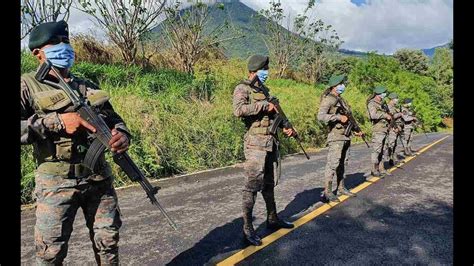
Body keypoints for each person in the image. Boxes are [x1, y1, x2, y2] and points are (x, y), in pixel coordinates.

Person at [21, 21, 131, 265]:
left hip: (98, 178)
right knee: (51, 253)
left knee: (108, 243)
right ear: (37, 53)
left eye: (66, 43)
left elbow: (116, 120)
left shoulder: (87, 86)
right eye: (55, 43)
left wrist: (122, 135)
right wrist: (58, 122)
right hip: (56, 182)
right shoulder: (27, 85)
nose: (64, 47)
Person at [232, 55, 295, 246]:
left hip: (269, 144)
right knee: (251, 187)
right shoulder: (242, 88)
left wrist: (286, 126)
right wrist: (263, 105)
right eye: (265, 69)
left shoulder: (264, 90)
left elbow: (274, 114)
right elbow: (238, 110)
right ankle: (247, 229)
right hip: (255, 145)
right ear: (256, 70)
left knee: (268, 185)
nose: (267, 72)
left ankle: (272, 218)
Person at [317, 74, 360, 202]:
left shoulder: (341, 100)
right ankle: (328, 191)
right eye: (341, 84)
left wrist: (356, 130)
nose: (343, 86)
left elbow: (349, 118)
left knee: (343, 163)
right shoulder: (329, 99)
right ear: (335, 86)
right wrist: (337, 117)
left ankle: (341, 187)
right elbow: (320, 116)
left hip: (345, 136)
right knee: (333, 164)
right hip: (336, 136)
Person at [367, 86, 391, 177]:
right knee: (376, 150)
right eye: (383, 93)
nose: (384, 94)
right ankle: (374, 169)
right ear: (378, 94)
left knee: (383, 149)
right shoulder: (372, 103)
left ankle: (381, 168)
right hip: (378, 130)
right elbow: (373, 115)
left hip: (385, 129)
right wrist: (384, 115)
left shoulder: (382, 103)